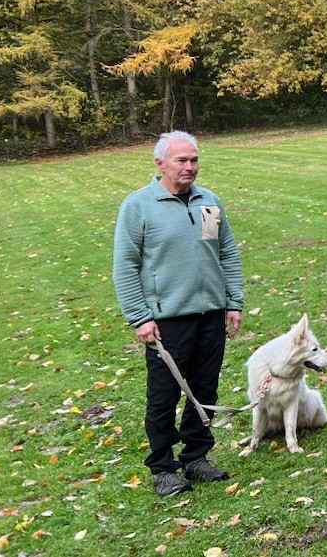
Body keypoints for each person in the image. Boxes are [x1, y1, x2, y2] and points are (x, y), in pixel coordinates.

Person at [113, 131, 243, 498]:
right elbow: (125, 265)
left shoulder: (208, 201)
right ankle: (162, 468)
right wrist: (140, 317)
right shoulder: (138, 206)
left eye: (194, 159)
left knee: (204, 388)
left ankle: (196, 457)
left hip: (211, 314)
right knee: (164, 395)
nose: (189, 167)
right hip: (166, 319)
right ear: (160, 164)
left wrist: (233, 302)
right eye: (181, 160)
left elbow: (226, 253)